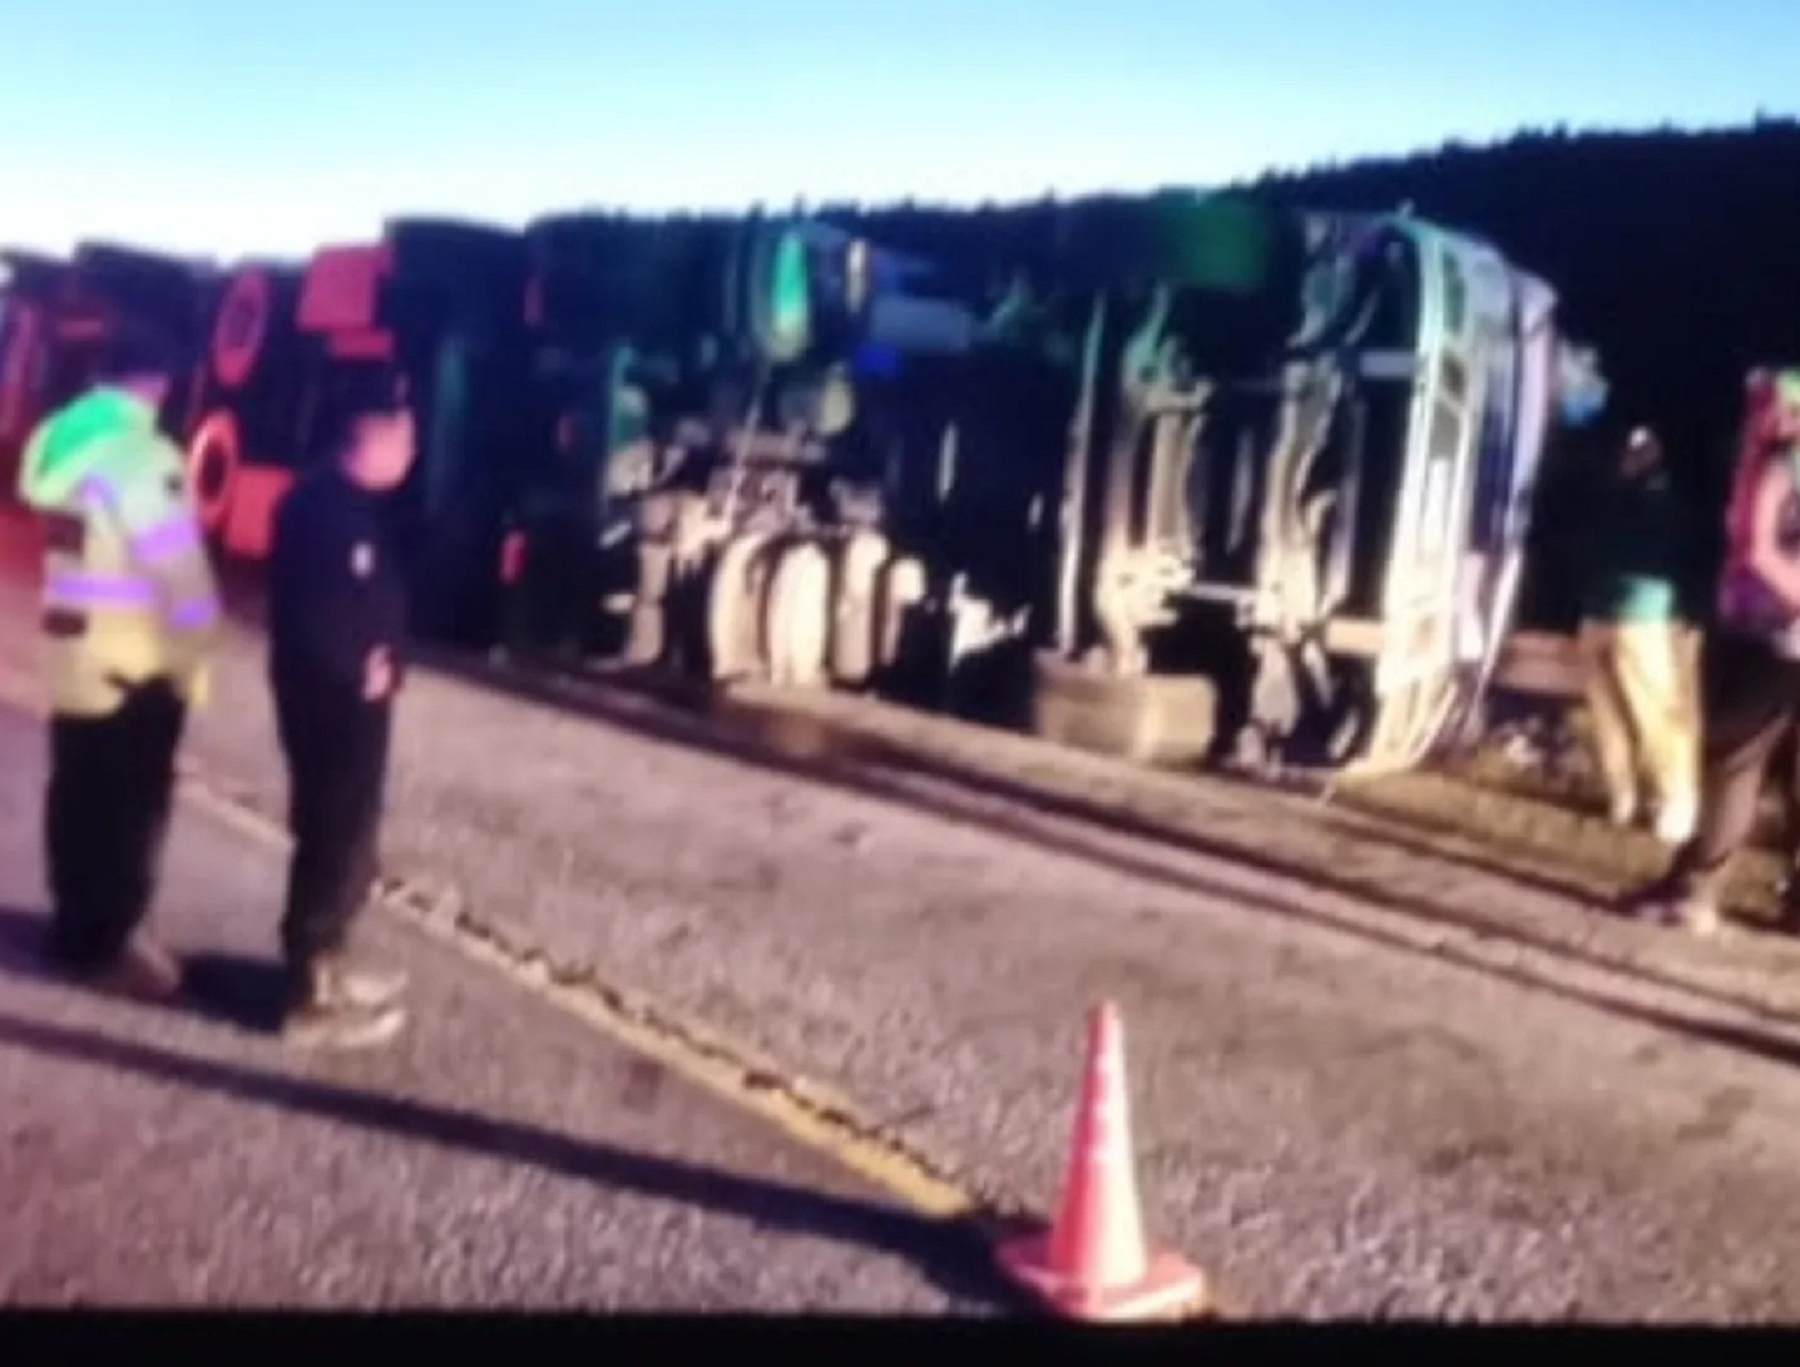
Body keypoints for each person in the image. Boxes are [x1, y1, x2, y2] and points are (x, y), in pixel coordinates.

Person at [14, 323, 221, 1000]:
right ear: (157, 383)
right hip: (136, 662)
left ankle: (74, 927)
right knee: (131, 811)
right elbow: (177, 566)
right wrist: (198, 647)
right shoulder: (144, 454)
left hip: (70, 649)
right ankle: (109, 945)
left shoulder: (56, 441)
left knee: (75, 795)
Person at [1621, 371, 1800, 935]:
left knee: (1735, 764)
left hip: (1770, 639)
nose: (1756, 412)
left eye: (1766, 403)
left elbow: (1756, 548)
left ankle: (1695, 894)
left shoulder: (1780, 464)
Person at [267, 371, 415, 1048]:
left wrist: (389, 661)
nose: (413, 447)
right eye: (406, 434)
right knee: (332, 831)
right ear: (374, 436)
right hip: (332, 700)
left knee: (350, 833)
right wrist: (361, 667)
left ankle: (330, 959)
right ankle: (310, 991)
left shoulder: (346, 503)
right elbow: (316, 614)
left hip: (351, 697)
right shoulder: (322, 509)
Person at [1575, 426, 1700, 843]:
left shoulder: (1650, 501)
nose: (1629, 459)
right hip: (1617, 614)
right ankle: (1632, 798)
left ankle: (1667, 802)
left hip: (1633, 615)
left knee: (1645, 714)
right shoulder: (1633, 500)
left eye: (1636, 453)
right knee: (1623, 714)